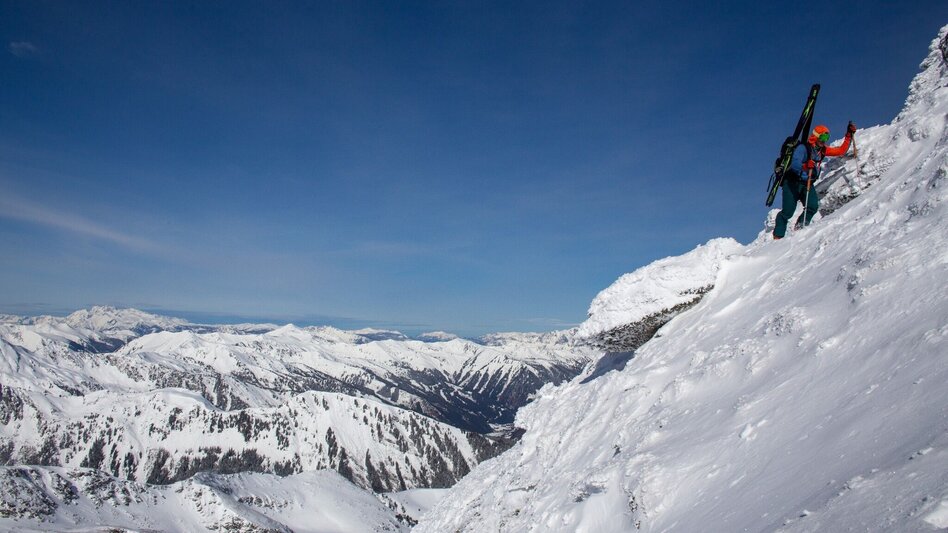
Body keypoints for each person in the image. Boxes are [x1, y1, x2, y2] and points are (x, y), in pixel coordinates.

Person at [773, 121, 857, 239]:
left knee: (812, 206)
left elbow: (840, 151)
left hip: (807, 183)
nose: (824, 140)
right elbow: (795, 163)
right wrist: (805, 166)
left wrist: (849, 135)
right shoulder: (803, 148)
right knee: (788, 211)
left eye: (827, 137)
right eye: (823, 137)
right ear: (816, 136)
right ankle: (778, 236)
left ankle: (800, 229)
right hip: (792, 182)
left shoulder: (822, 151)